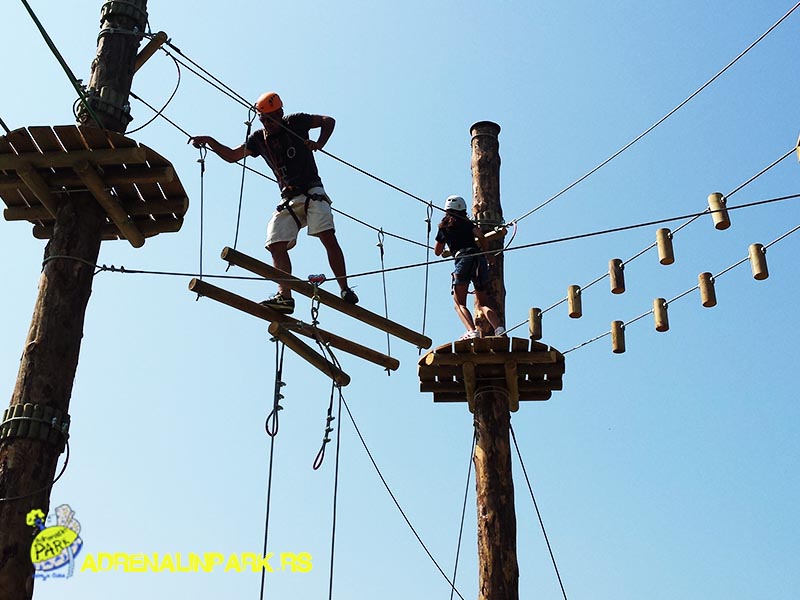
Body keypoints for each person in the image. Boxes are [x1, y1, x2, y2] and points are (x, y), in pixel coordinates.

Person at [189, 91, 358, 315]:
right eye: (263, 120)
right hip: (289, 198)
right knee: (275, 244)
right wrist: (210, 141)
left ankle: (344, 288)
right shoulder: (259, 139)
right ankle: (285, 297)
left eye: (270, 119)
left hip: (312, 190)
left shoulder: (296, 122)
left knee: (327, 235)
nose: (267, 124)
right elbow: (232, 156)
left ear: (280, 113)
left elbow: (328, 121)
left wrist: (319, 143)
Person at [434, 195, 505, 339]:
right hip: (478, 259)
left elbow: (437, 251)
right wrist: (487, 254)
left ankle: (472, 331)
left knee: (459, 303)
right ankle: (499, 329)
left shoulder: (444, 227)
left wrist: (448, 242)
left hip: (463, 260)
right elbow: (481, 237)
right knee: (483, 303)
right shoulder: (468, 223)